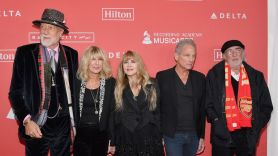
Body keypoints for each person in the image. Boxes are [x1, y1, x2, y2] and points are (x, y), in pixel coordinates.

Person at [8, 8, 78, 156]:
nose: (44, 31)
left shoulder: (72, 54)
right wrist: (26, 121)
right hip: (37, 122)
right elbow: (15, 92)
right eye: (43, 27)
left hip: (63, 125)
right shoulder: (25, 53)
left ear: (60, 33)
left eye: (50, 28)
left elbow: (76, 89)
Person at [205, 40, 273, 156]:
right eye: (230, 51)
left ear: (243, 53)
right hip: (222, 134)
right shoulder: (214, 75)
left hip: (248, 136)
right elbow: (207, 103)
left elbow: (266, 106)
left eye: (238, 50)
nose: (235, 54)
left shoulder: (256, 76)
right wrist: (217, 122)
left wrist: (256, 126)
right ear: (224, 56)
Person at [156, 39, 206, 156]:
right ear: (176, 56)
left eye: (193, 56)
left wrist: (201, 136)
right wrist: (159, 134)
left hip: (193, 135)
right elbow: (157, 108)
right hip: (172, 135)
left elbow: (202, 110)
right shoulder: (163, 77)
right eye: (187, 55)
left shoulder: (200, 78)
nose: (191, 59)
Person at [110, 50, 164, 156]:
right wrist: (112, 140)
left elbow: (157, 112)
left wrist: (161, 135)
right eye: (126, 62)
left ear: (139, 64)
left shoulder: (152, 83)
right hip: (126, 137)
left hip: (149, 136)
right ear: (122, 66)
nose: (129, 65)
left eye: (133, 61)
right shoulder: (117, 86)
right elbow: (114, 115)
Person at [73, 46, 115, 156]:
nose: (97, 63)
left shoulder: (110, 83)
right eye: (93, 59)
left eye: (100, 59)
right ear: (86, 61)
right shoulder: (76, 82)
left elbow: (112, 113)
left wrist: (112, 139)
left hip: (101, 134)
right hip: (80, 133)